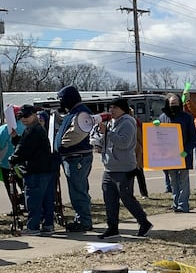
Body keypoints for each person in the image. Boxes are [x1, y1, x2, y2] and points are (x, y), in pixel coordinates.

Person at [94, 97, 153, 239]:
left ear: (123, 109)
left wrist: (108, 133)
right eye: (110, 107)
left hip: (124, 167)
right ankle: (112, 227)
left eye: (115, 108)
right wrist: (100, 139)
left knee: (127, 198)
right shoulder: (111, 123)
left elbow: (124, 143)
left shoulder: (128, 122)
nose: (111, 110)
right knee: (109, 199)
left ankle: (144, 222)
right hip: (109, 167)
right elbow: (109, 141)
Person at [9, 105, 58, 236]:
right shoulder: (37, 129)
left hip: (36, 170)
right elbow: (26, 145)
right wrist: (15, 139)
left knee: (33, 200)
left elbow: (24, 149)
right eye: (20, 117)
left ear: (34, 115)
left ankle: (33, 227)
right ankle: (48, 225)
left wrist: (12, 159)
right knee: (47, 200)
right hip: (46, 169)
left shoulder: (33, 131)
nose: (23, 119)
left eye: (26, 116)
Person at [54, 85, 94, 232]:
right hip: (74, 157)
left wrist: (60, 146)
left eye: (61, 100)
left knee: (78, 190)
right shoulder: (74, 112)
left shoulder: (81, 113)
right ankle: (82, 218)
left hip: (76, 157)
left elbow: (75, 135)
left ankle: (84, 221)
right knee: (79, 189)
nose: (60, 103)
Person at [160, 94, 196, 212]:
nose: (174, 105)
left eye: (176, 103)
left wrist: (186, 151)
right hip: (169, 156)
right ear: (167, 104)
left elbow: (193, 137)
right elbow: (157, 136)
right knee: (173, 181)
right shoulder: (162, 117)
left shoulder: (187, 117)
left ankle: (183, 204)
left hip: (183, 155)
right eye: (171, 103)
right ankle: (175, 203)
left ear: (180, 104)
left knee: (183, 180)